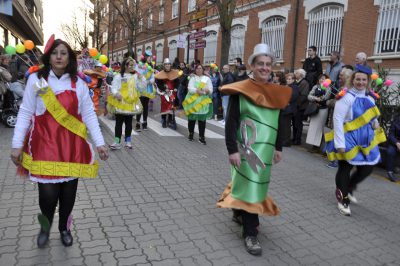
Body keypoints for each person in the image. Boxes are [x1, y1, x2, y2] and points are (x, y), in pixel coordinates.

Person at [9, 37, 109, 248]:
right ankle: (45, 226)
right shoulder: (37, 79)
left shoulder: (79, 82)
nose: (59, 57)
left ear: (69, 57)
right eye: (55, 53)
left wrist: (99, 143)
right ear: (49, 56)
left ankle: (64, 227)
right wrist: (16, 145)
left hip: (72, 146)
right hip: (44, 144)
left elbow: (89, 114)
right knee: (47, 196)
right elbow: (26, 112)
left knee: (68, 194)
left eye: (64, 53)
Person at [217, 43, 291, 256]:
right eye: (261, 64)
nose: (265, 68)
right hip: (246, 150)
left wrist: (278, 147)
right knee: (252, 186)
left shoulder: (277, 92)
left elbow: (279, 122)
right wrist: (232, 150)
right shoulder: (240, 91)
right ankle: (251, 232)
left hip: (266, 152)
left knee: (255, 185)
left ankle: (238, 210)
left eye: (268, 64)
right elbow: (231, 123)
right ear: (252, 65)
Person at [324, 64, 386, 216]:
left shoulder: (370, 96)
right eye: (357, 79)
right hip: (348, 137)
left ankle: (349, 188)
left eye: (364, 80)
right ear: (352, 80)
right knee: (345, 167)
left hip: (365, 138)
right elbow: (337, 119)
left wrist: (375, 123)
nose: (360, 82)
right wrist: (339, 143)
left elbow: (371, 115)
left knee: (367, 167)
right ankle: (343, 199)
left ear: (367, 81)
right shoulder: (345, 97)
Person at [108, 57, 144, 149]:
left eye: (133, 65)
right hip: (121, 102)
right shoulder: (119, 76)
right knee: (119, 123)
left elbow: (141, 87)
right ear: (125, 66)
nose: (132, 67)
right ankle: (117, 142)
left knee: (128, 123)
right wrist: (116, 94)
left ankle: (128, 141)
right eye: (131, 65)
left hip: (131, 102)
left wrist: (141, 79)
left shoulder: (135, 76)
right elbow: (114, 87)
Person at [182, 64, 213, 144]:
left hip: (202, 102)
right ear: (195, 70)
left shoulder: (207, 79)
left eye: (200, 68)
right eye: (197, 68)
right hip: (193, 101)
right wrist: (196, 91)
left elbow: (210, 89)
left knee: (202, 120)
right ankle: (191, 134)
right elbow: (190, 88)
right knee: (191, 119)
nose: (199, 70)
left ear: (203, 70)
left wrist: (207, 91)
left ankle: (201, 136)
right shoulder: (192, 78)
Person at [306, 74, 332, 153]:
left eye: (323, 79)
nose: (321, 80)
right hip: (315, 108)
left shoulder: (328, 88)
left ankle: (318, 146)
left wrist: (320, 98)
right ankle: (313, 144)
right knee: (313, 127)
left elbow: (325, 97)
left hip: (323, 109)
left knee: (320, 128)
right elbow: (309, 96)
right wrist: (315, 98)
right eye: (320, 78)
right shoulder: (315, 87)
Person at [154, 58, 180, 129]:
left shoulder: (174, 72)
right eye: (166, 64)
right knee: (164, 106)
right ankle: (164, 119)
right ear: (164, 65)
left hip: (172, 92)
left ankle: (171, 119)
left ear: (170, 65)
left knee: (172, 106)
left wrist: (176, 87)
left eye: (168, 64)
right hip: (164, 92)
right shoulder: (160, 74)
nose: (167, 65)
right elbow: (159, 83)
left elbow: (177, 81)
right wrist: (164, 88)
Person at [135, 51, 156, 131]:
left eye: (151, 57)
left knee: (145, 106)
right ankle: (137, 123)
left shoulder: (151, 66)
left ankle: (144, 122)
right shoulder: (140, 65)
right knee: (140, 106)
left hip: (147, 88)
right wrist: (142, 82)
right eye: (149, 57)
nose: (150, 58)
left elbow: (152, 76)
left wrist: (151, 80)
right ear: (145, 57)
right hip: (141, 88)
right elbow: (137, 75)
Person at [281, 73, 299, 147]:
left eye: (289, 79)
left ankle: (286, 141)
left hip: (290, 108)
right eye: (287, 79)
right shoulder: (288, 86)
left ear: (293, 80)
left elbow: (292, 96)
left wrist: (285, 100)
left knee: (287, 125)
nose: (288, 80)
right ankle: (284, 140)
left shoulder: (294, 87)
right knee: (284, 125)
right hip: (286, 107)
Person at [292, 68, 310, 145]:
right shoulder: (296, 82)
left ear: (301, 75)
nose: (295, 74)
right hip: (295, 106)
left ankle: (298, 139)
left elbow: (303, 96)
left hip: (300, 107)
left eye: (297, 73)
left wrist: (296, 104)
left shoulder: (304, 83)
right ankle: (294, 138)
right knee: (294, 122)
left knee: (298, 123)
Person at [386, 116, 400, 182]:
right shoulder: (396, 120)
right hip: (394, 142)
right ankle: (390, 172)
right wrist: (396, 143)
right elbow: (390, 134)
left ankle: (396, 167)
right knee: (390, 152)